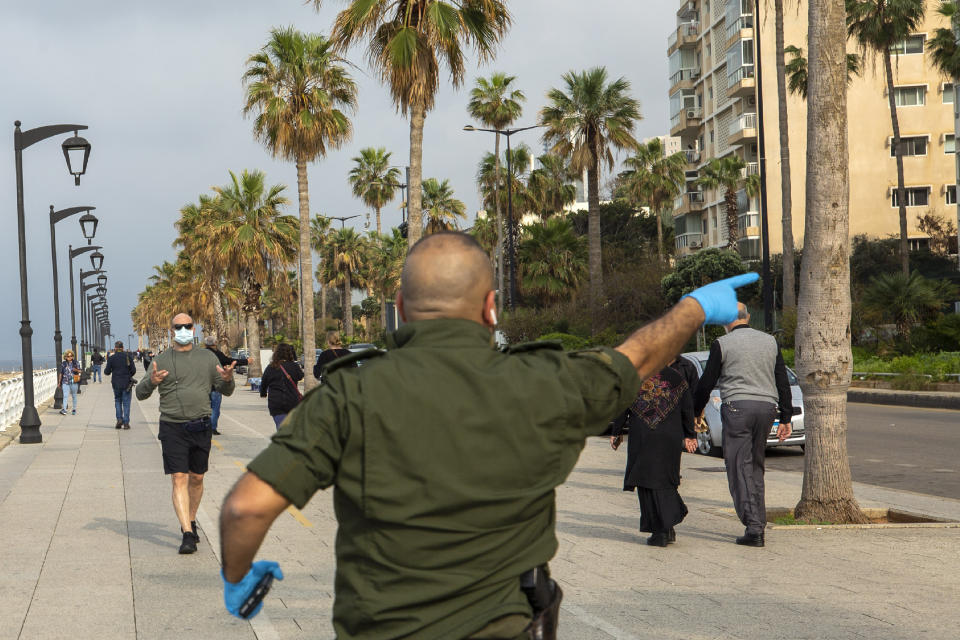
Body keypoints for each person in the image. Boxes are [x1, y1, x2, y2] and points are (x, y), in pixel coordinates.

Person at [218, 231, 757, 638]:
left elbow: (246, 509)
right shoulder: (546, 383)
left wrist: (238, 576)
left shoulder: (347, 395)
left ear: (401, 309)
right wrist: (694, 307)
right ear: (490, 307)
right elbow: (637, 356)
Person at [693, 303, 793, 548]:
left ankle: (754, 527)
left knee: (739, 467)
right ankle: (757, 522)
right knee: (756, 466)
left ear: (727, 321)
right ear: (748, 317)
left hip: (737, 408)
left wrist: (696, 412)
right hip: (767, 409)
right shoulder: (770, 341)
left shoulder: (722, 344)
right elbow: (782, 379)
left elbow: (707, 382)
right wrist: (786, 417)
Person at [136, 314, 236, 554]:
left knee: (197, 478)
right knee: (179, 477)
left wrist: (228, 379)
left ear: (194, 328)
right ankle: (187, 533)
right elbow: (140, 393)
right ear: (171, 331)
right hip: (172, 427)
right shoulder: (161, 360)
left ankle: (191, 519)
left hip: (200, 426)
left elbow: (227, 390)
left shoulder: (207, 357)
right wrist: (152, 380)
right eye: (178, 326)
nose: (183, 329)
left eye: (187, 326)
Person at [610, 358, 698, 547]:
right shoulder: (677, 378)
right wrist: (690, 434)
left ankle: (661, 531)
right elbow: (688, 408)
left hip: (643, 435)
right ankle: (667, 528)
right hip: (670, 436)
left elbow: (621, 407)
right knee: (666, 478)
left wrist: (616, 432)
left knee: (646, 481)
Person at [203, 336, 248, 435]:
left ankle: (205, 428)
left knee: (205, 409)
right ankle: (212, 428)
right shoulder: (217, 354)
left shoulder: (201, 354)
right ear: (215, 343)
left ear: (205, 344)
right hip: (216, 386)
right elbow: (230, 361)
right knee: (215, 409)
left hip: (203, 387)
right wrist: (246, 361)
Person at [259, 343, 304, 430]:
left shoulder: (270, 367)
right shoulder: (294, 366)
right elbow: (300, 376)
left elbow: (264, 382)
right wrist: (293, 358)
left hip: (276, 403)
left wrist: (263, 393)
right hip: (292, 402)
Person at [104, 341, 137, 430]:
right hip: (126, 383)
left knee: (118, 401)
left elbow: (106, 372)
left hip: (116, 383)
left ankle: (119, 419)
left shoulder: (111, 358)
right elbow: (133, 370)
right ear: (122, 348)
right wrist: (128, 375)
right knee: (126, 403)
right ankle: (126, 423)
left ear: (115, 348)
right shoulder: (128, 357)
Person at [58, 350, 80, 416]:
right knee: (65, 396)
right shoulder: (64, 363)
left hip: (74, 382)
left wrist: (75, 370)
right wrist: (59, 382)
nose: (70, 357)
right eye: (68, 356)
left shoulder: (76, 363)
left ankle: (74, 409)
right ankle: (64, 409)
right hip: (65, 382)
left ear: (73, 356)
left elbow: (80, 371)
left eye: (71, 356)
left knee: (74, 396)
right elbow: (61, 373)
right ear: (65, 357)